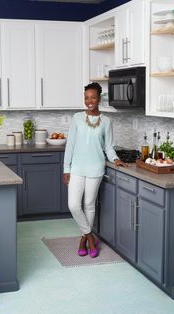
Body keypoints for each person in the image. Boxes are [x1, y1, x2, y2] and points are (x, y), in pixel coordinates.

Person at [63, 82, 128, 258]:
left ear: (99, 98)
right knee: (73, 205)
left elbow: (108, 146)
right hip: (76, 167)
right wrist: (66, 168)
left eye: (92, 97)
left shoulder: (106, 121)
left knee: (89, 205)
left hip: (96, 167)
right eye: (86, 98)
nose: (89, 101)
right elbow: (70, 145)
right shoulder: (77, 118)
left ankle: (83, 240)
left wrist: (115, 159)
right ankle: (90, 237)